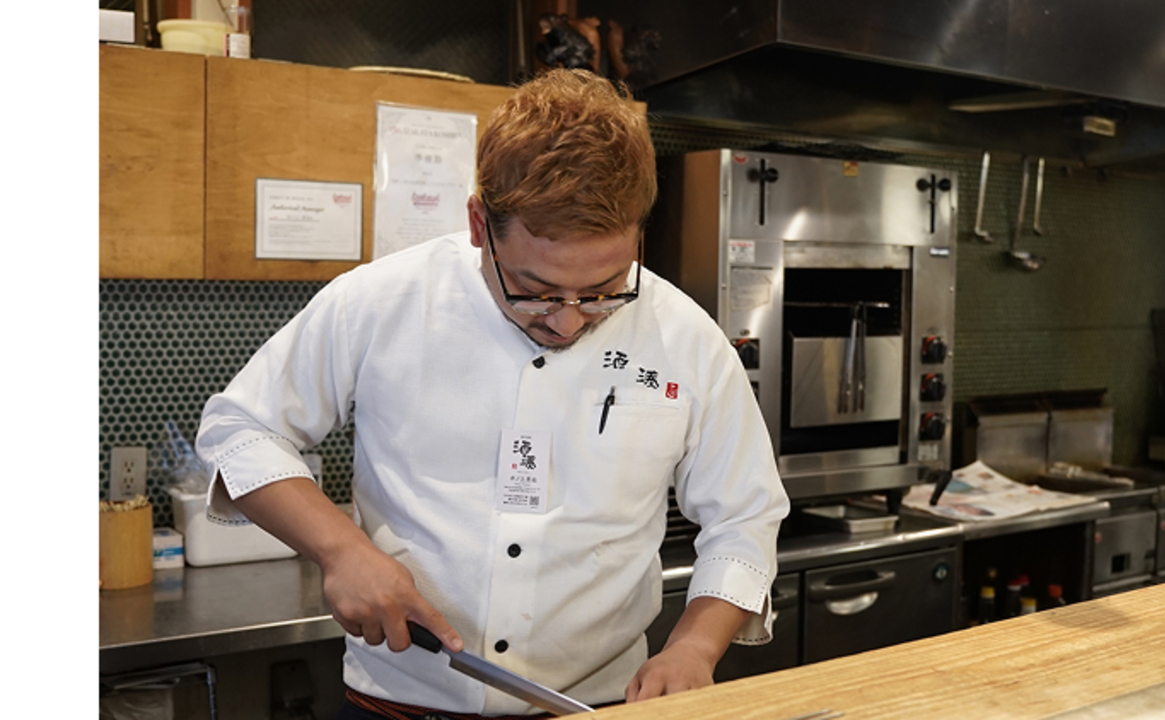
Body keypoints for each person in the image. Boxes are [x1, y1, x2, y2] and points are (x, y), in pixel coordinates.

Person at [196, 68, 789, 719]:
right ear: (480, 223)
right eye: (535, 291)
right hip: (399, 703)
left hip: (594, 705)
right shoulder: (382, 301)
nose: (568, 322)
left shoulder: (685, 337)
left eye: (603, 291)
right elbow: (241, 430)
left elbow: (744, 515)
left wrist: (695, 647)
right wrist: (341, 551)